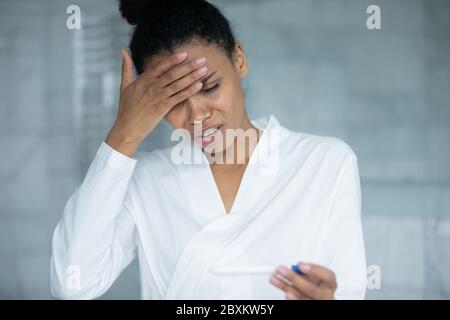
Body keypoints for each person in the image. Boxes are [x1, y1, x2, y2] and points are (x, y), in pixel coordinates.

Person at [50, 0, 367, 300]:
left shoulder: (325, 163)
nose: (197, 116)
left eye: (210, 87)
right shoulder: (144, 178)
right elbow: (73, 283)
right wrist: (122, 137)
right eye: (172, 101)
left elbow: (348, 290)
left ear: (239, 60)